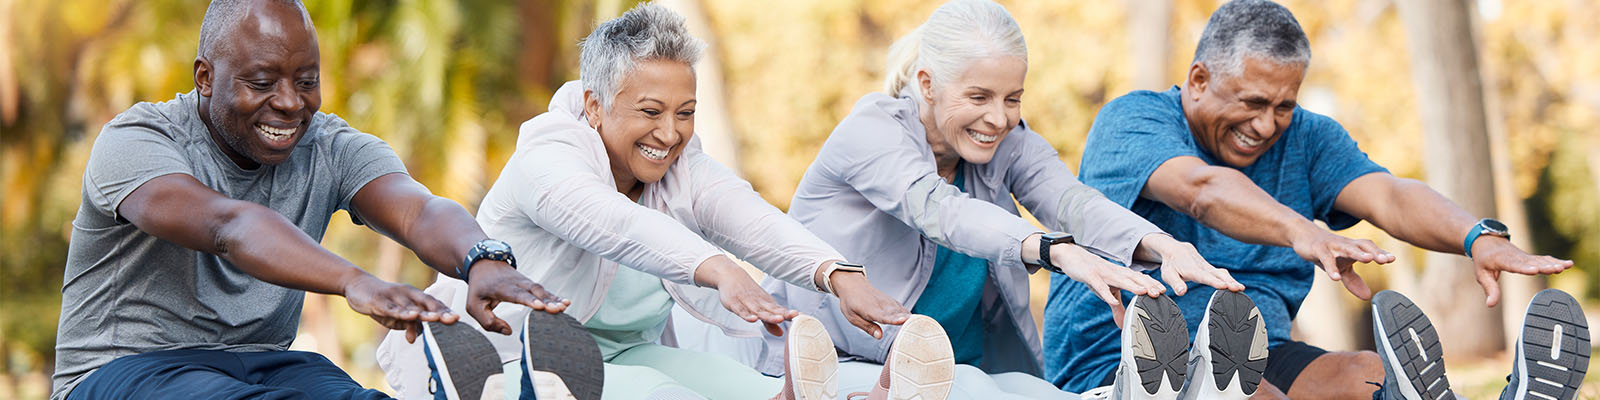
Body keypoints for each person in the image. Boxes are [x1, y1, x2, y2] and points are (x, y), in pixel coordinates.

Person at [1047, 1, 1585, 399]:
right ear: (1198, 80)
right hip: (1123, 364)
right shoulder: (1133, 120)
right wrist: (1301, 230)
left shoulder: (1307, 137)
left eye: (1283, 105)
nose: (1266, 125)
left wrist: (1476, 238)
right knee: (1249, 393)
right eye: (1253, 102)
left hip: (1259, 349)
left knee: (1367, 377)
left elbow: (1391, 195)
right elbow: (1202, 191)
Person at [376, 4, 917, 400]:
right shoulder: (547, 159)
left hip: (622, 355)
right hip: (503, 356)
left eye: (685, 112)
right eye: (651, 110)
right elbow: (615, 225)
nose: (670, 132)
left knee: (748, 389)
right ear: (595, 105)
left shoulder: (681, 166)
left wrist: (838, 275)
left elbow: (748, 216)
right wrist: (719, 269)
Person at [50, 1, 573, 399]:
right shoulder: (137, 140)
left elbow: (417, 209)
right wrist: (356, 281)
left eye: (306, 81)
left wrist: (481, 257)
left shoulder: (328, 145)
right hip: (125, 368)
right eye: (262, 82)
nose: (289, 103)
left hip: (266, 362)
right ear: (204, 77)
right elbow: (228, 227)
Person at [759, 1, 1250, 398]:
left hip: (962, 367)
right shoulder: (873, 131)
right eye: (979, 97)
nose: (998, 118)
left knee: (1032, 393)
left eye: (1012, 98)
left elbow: (1071, 201)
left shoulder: (1006, 143)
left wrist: (1161, 244)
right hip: (838, 364)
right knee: (976, 389)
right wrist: (1054, 249)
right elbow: (939, 211)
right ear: (927, 84)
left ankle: (1160, 392)